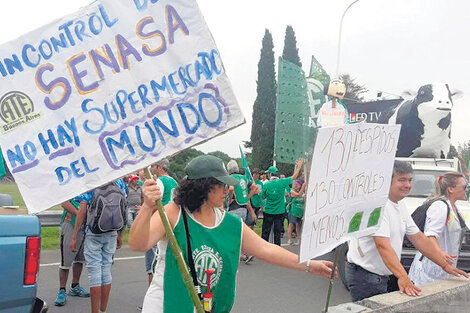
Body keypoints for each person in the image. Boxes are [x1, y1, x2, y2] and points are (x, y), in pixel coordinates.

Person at [128, 155, 336, 313]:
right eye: (221, 184)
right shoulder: (174, 213)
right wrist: (147, 207)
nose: (227, 189)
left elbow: (267, 249)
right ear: (203, 187)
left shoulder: (230, 224)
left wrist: (309, 264)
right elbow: (138, 244)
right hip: (165, 305)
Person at [345, 161, 468, 302]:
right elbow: (382, 245)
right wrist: (403, 277)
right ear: (387, 181)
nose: (408, 185)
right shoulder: (378, 206)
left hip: (384, 274)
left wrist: (445, 265)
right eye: (402, 180)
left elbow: (418, 238)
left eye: (410, 180)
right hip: (366, 276)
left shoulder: (399, 203)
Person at [70, 179, 127, 313]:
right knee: (106, 270)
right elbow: (124, 208)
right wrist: (121, 234)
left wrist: (74, 235)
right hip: (112, 231)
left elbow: (82, 209)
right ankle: (103, 310)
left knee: (95, 274)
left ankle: (95, 311)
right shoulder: (118, 181)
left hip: (94, 232)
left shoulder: (91, 181)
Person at [409, 172, 468, 286]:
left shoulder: (454, 207)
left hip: (444, 267)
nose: (466, 190)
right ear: (450, 189)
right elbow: (430, 235)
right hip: (430, 269)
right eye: (464, 187)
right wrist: (440, 253)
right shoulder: (440, 207)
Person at [54, 199, 90, 306]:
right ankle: (62, 290)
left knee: (80, 259)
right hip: (70, 222)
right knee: (66, 260)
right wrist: (78, 214)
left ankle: (75, 286)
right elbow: (64, 202)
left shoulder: (87, 187)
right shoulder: (71, 185)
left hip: (84, 226)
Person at [261, 159, 303, 246]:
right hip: (279, 211)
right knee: (277, 233)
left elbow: (262, 197)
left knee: (265, 232)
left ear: (270, 174)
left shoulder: (266, 185)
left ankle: (263, 248)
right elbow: (294, 177)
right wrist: (299, 166)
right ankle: (277, 250)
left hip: (268, 211)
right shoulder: (282, 182)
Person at [287, 180, 305, 246]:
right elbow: (298, 195)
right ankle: (289, 239)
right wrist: (303, 187)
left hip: (300, 212)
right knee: (291, 225)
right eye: (295, 184)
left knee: (298, 226)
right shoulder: (292, 191)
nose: (296, 186)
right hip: (293, 211)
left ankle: (299, 239)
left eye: (298, 184)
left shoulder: (303, 193)